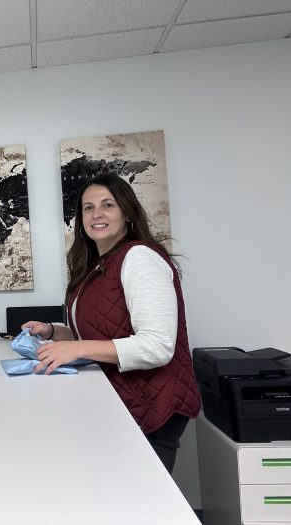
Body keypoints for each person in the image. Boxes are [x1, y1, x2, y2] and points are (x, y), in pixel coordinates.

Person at [23, 174, 201, 473]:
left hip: (152, 402)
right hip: (123, 400)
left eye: (108, 205)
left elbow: (157, 346)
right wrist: (54, 332)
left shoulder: (139, 258)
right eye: (88, 208)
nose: (97, 214)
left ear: (127, 213)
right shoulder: (97, 266)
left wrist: (77, 349)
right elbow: (99, 334)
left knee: (143, 507)